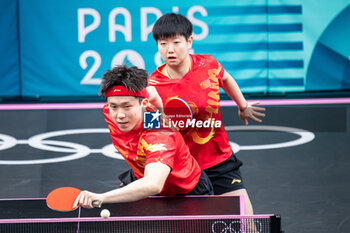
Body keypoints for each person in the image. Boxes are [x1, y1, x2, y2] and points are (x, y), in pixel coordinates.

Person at [147, 13, 266, 215]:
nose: (170, 50)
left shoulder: (208, 64)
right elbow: (152, 131)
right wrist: (168, 123)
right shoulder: (152, 86)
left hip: (218, 159)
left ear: (189, 41)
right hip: (182, 167)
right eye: (163, 44)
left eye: (176, 42)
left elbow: (226, 78)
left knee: (247, 221)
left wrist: (242, 105)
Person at [73, 65, 213, 208]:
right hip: (144, 172)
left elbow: (153, 184)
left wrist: (102, 197)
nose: (120, 115)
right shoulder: (111, 111)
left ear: (143, 104)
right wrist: (162, 112)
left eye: (127, 107)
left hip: (185, 190)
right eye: (114, 106)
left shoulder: (159, 134)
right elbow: (151, 91)